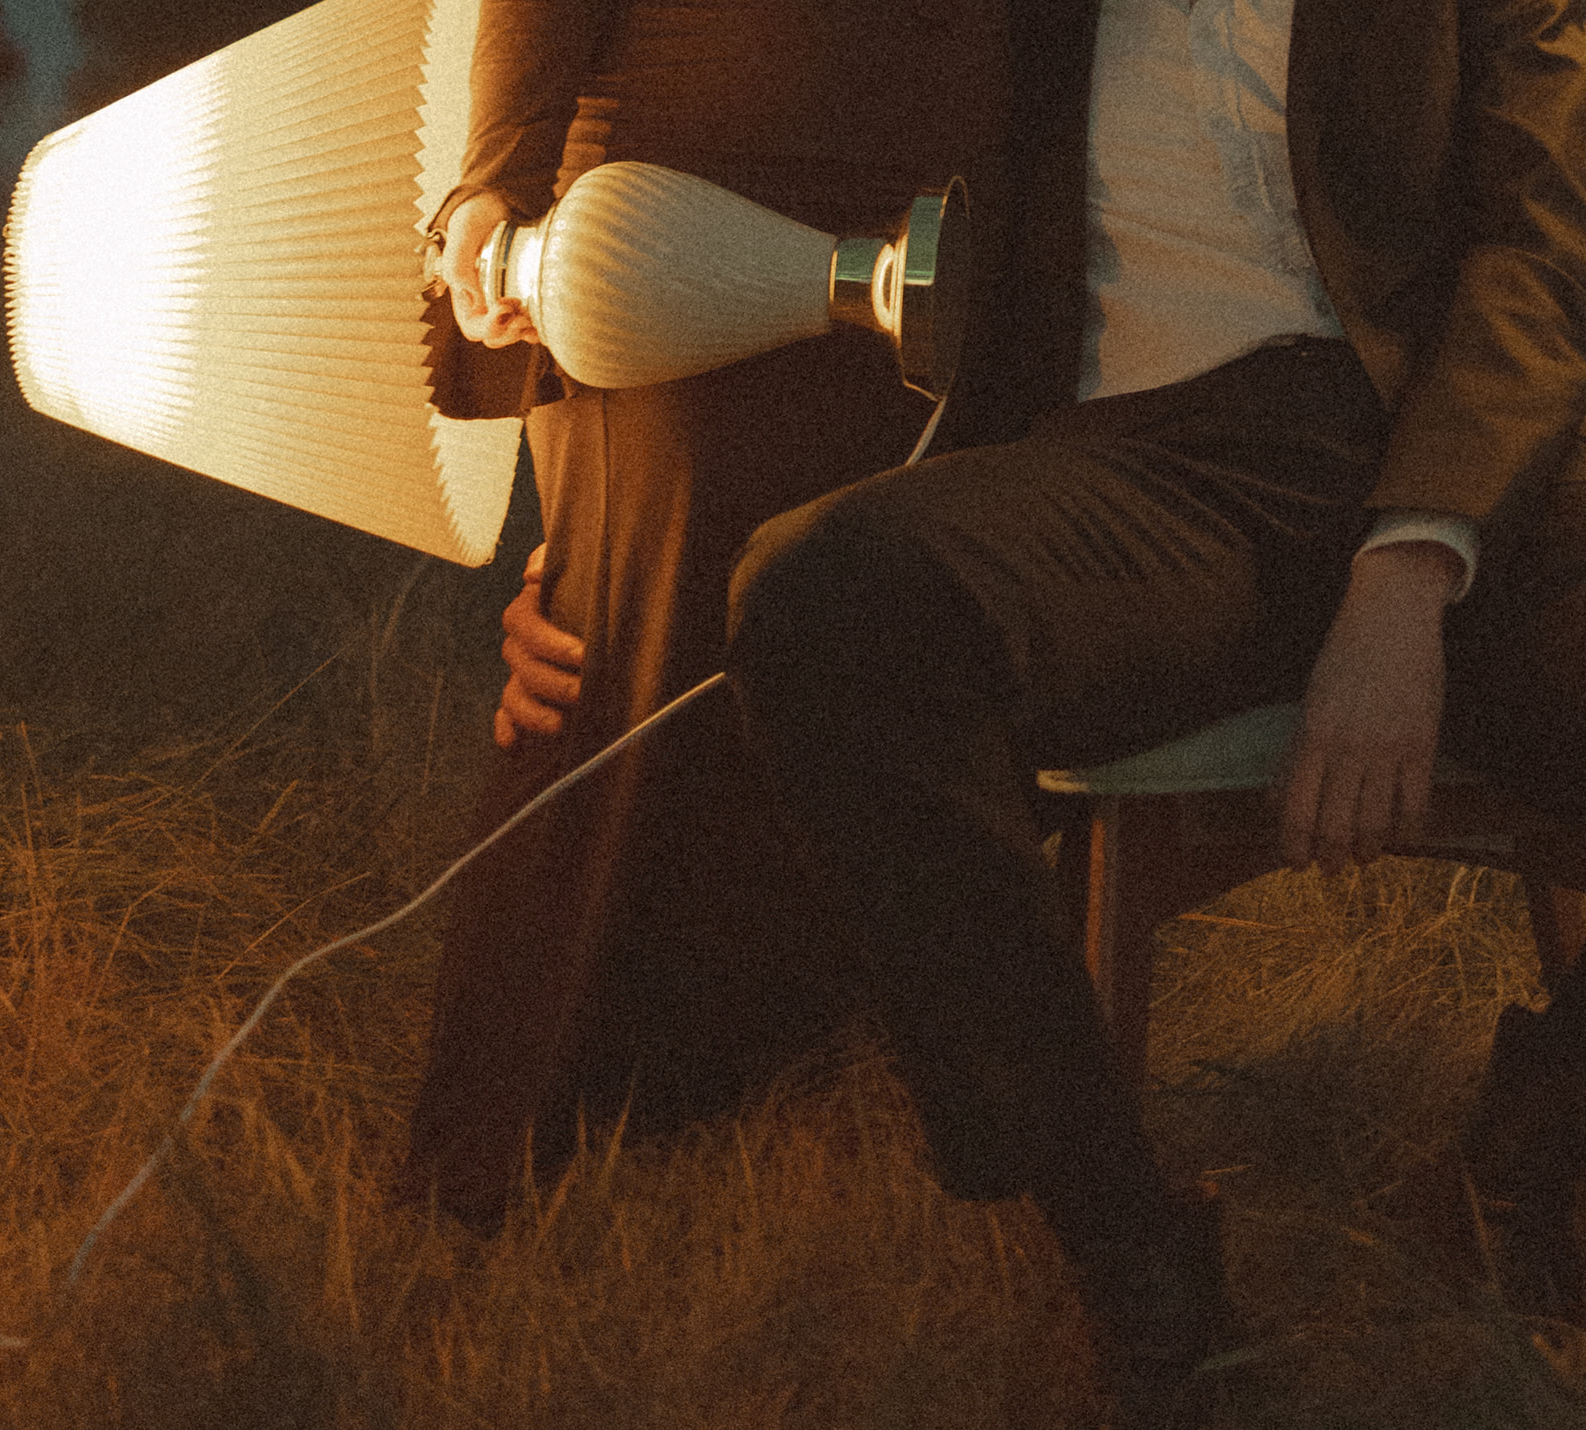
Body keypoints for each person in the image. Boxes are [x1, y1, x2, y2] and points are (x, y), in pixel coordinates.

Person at [722, 0, 1586, 1423]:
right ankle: (1130, 1250)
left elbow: (1546, 249)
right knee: (826, 599)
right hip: (1159, 471)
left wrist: (1413, 558)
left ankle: (1547, 1131)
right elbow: (752, 124)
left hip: (1453, 455)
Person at [399, 0, 1021, 1238]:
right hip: (671, 211)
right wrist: (489, 195)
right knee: (635, 678)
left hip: (951, 224)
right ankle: (535, 1171)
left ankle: (811, 1134)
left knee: (854, 679)